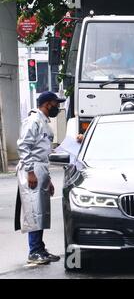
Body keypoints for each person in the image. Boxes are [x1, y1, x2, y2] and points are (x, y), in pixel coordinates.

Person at [15, 91, 66, 264]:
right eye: (55, 103)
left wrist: (48, 179)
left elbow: (43, 153)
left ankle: (40, 248)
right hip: (32, 169)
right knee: (33, 211)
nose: (57, 107)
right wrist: (30, 172)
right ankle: (34, 251)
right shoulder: (33, 121)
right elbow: (23, 146)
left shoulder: (44, 122)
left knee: (41, 212)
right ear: (46, 104)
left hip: (41, 169)